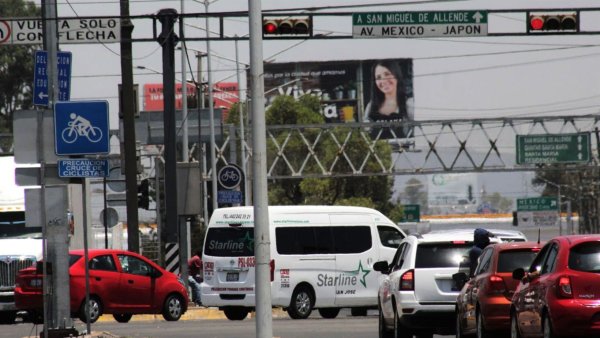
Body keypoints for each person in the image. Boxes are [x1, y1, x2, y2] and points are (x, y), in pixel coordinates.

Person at [364, 60, 414, 140]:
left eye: (387, 74)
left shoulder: (409, 104)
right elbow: (365, 133)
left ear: (396, 75)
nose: (383, 81)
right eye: (378, 77)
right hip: (377, 152)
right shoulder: (371, 106)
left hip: (403, 152)